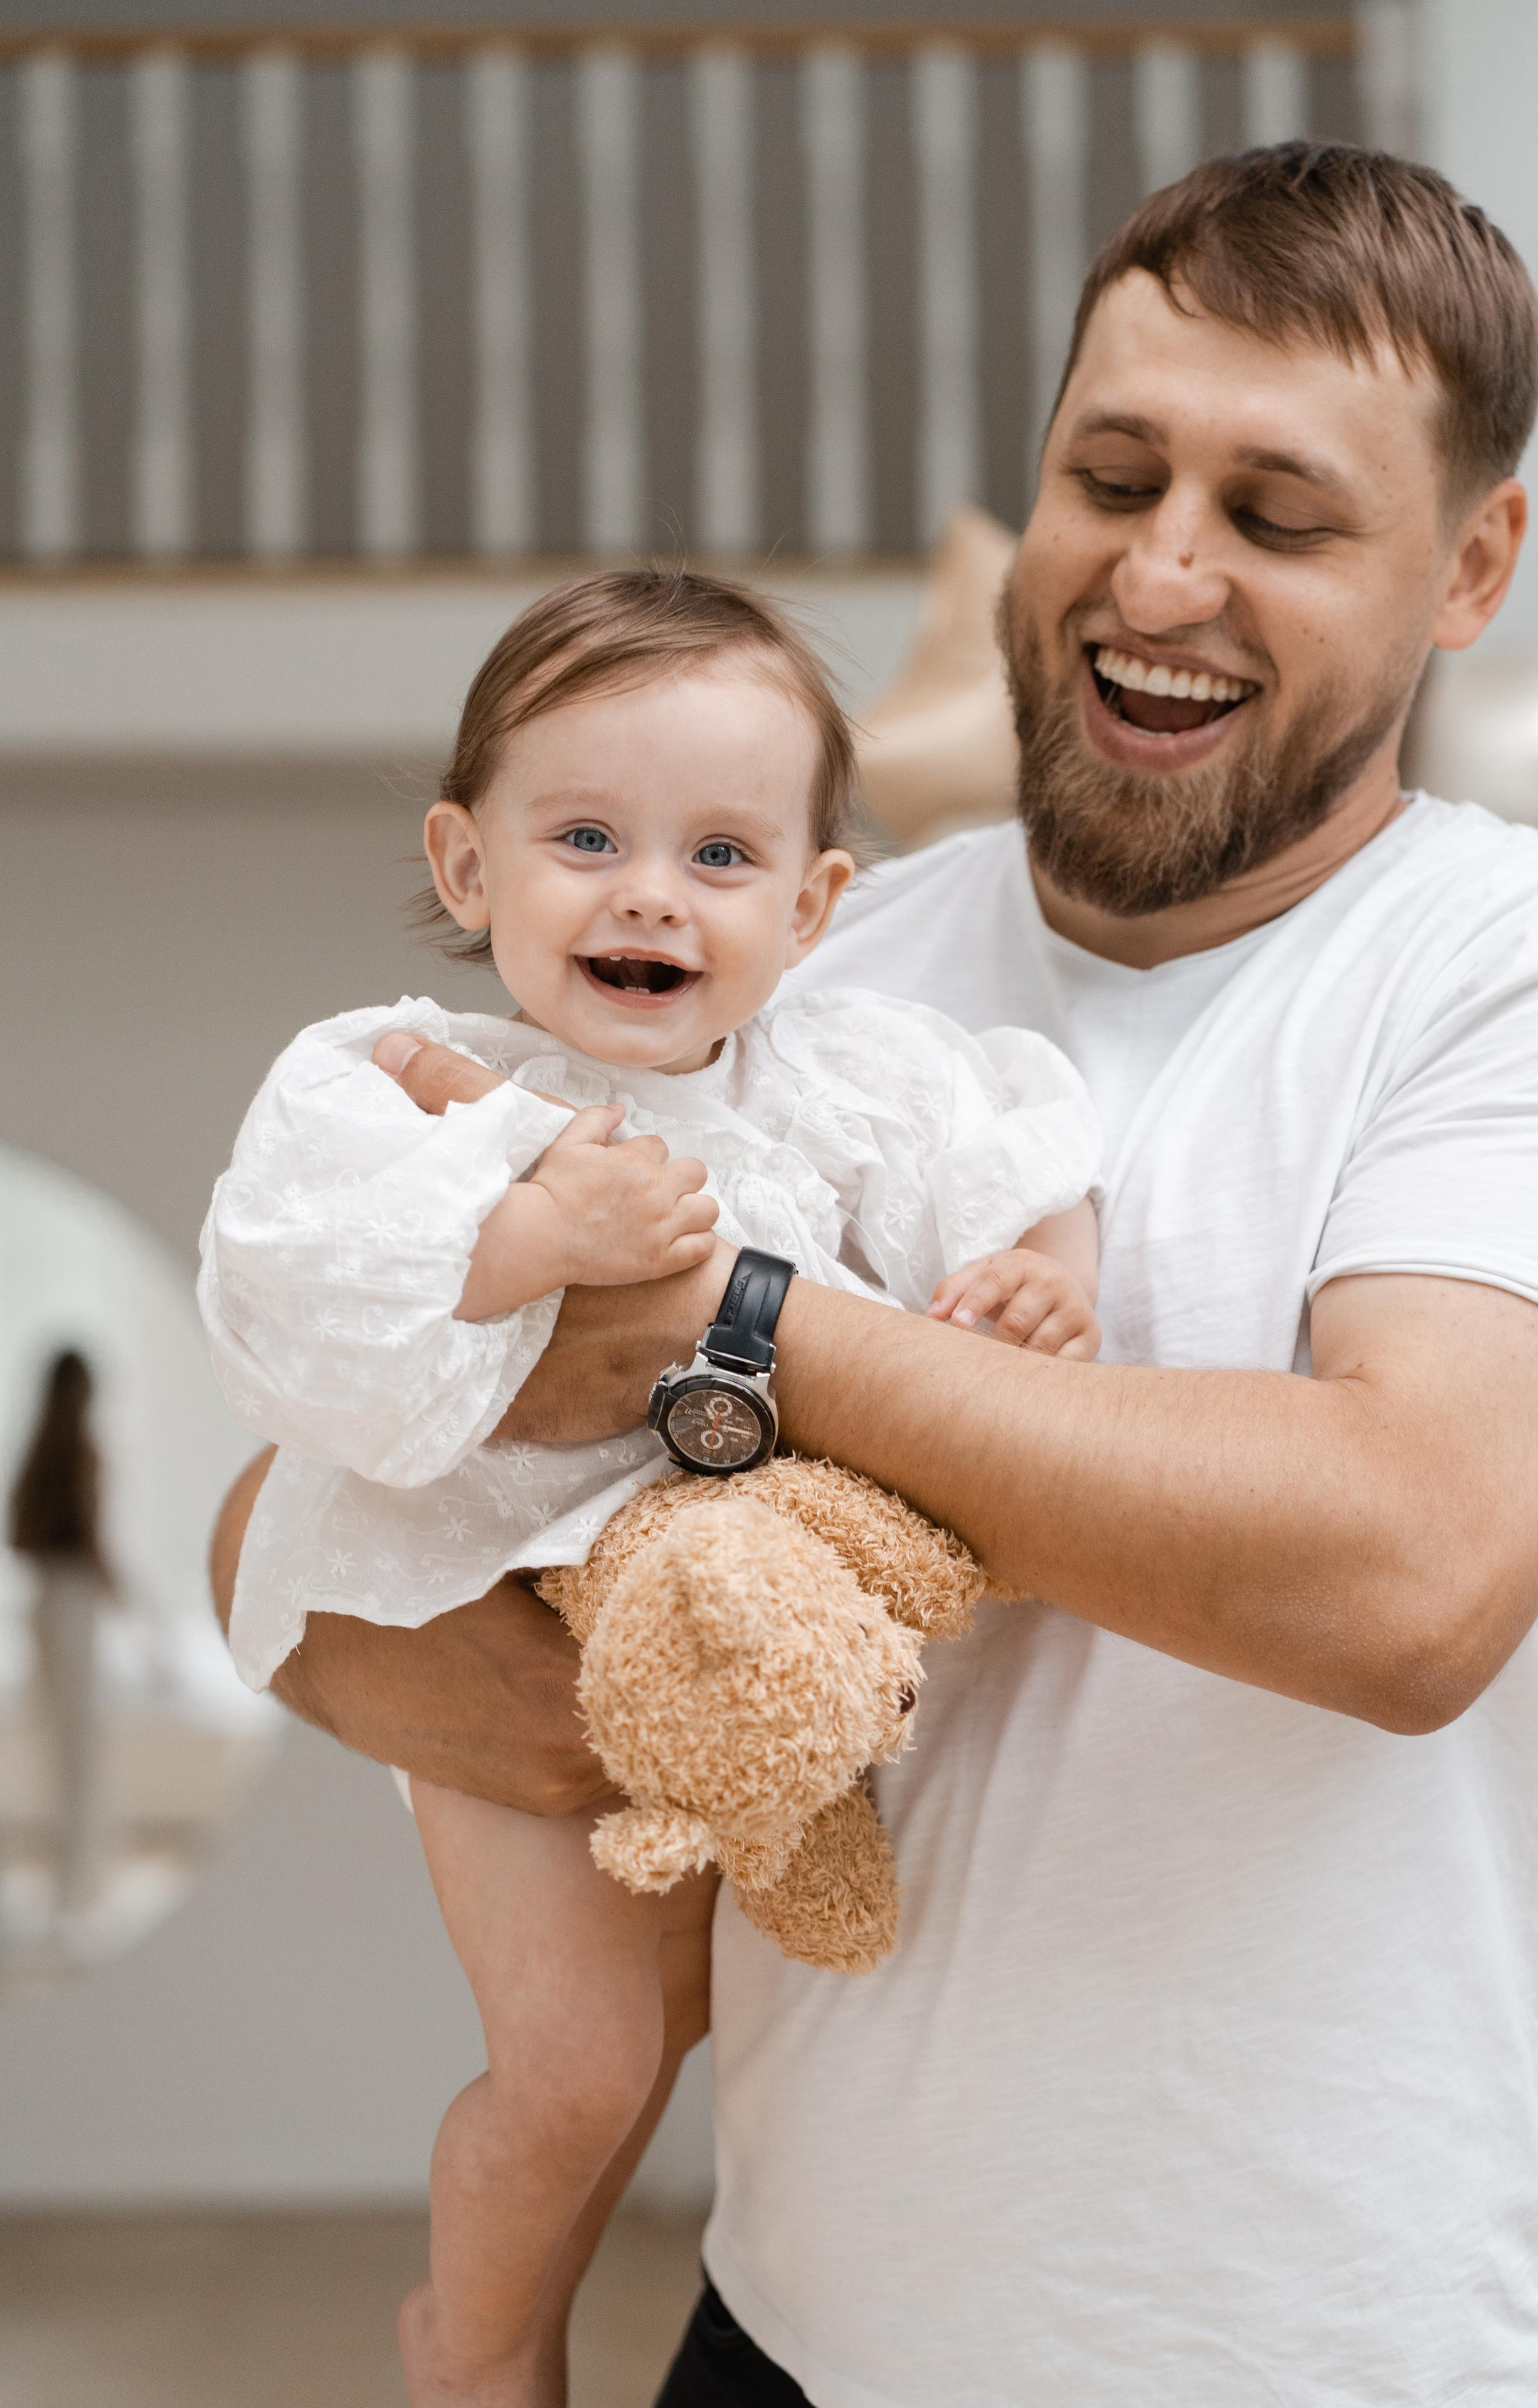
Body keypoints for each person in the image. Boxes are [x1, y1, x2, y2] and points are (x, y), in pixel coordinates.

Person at [210, 144, 1538, 2405]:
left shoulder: (1531, 966)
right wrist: (607, 1634)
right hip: (796, 2340)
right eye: (1109, 471)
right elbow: (281, 1541)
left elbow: (1405, 1574)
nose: (1159, 570)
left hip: (1342, 2358)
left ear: (1467, 567)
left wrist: (727, 1336)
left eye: (1275, 515)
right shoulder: (811, 948)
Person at [200, 568, 1101, 2408]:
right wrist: (531, 1227)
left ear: (810, 900)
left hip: (711, 1618)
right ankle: (477, 2342)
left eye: (715, 853)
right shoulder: (401, 1083)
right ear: (469, 866)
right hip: (484, 1614)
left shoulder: (843, 1071)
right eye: (586, 834)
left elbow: (1005, 1149)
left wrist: (1046, 1263)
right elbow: (292, 1292)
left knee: (691, 2012)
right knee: (583, 2061)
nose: (645, 892)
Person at [9, 1349, 118, 1930]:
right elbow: (96, 1541)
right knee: (79, 1746)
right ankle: (76, 1886)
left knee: (57, 1741)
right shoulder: (83, 1454)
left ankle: (67, 1879)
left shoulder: (38, 1455)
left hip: (45, 1602)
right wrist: (120, 1589)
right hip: (74, 1605)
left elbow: (19, 1531)